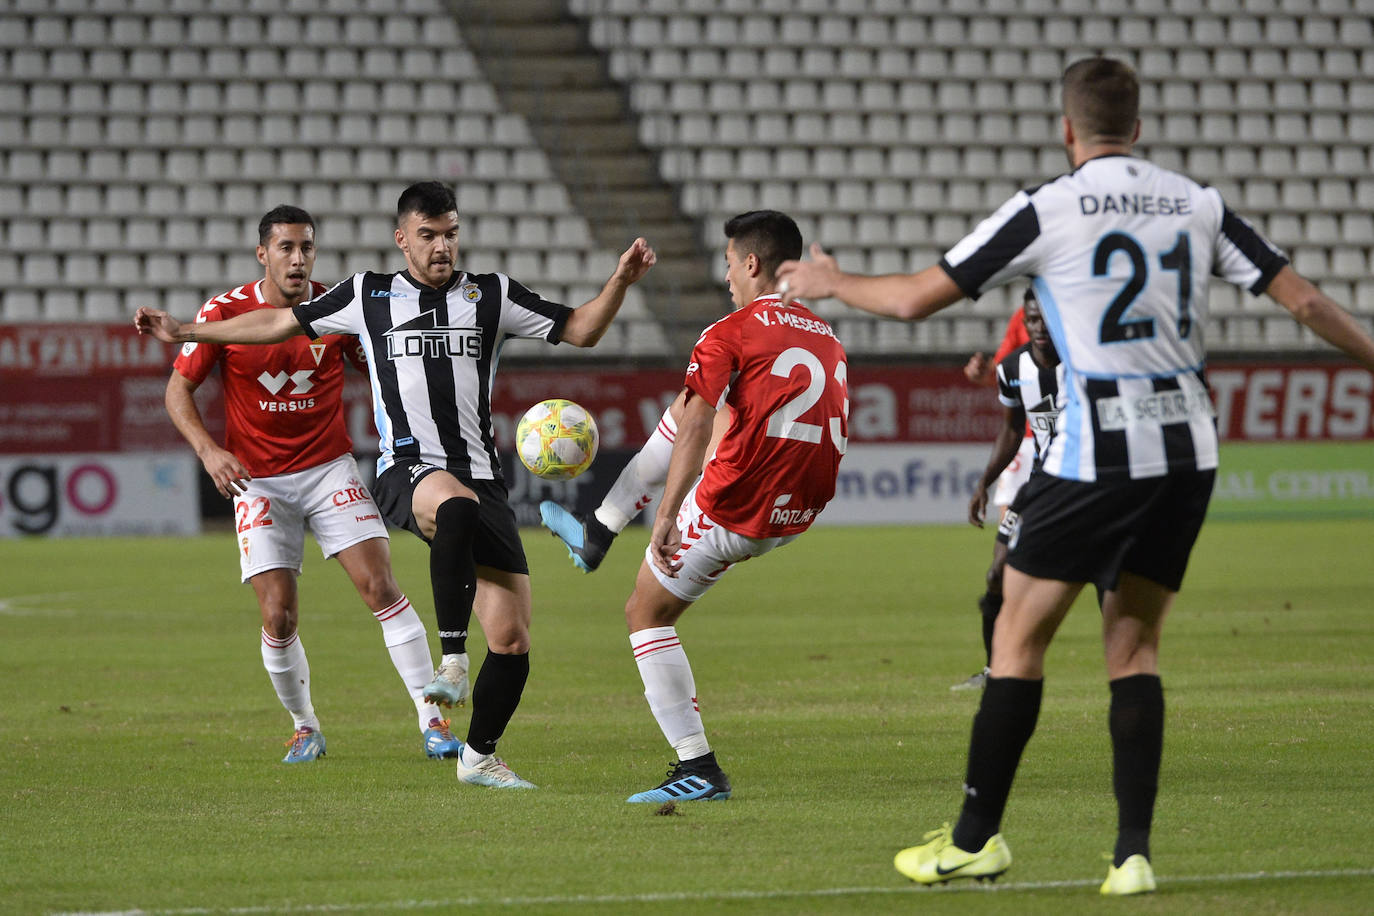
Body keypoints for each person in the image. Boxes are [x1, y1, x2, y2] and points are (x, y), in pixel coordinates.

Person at [777, 56, 1374, 895]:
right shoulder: (1196, 203)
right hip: (1188, 450)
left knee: (1018, 638)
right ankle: (1133, 855)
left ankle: (976, 839)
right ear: (1138, 128)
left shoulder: (1047, 206)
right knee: (1133, 644)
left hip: (1099, 450)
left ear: (1068, 130)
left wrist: (833, 280)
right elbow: (1306, 302)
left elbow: (917, 299)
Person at [138, 181, 657, 789]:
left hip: (481, 475)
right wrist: (187, 333)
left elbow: (581, 330)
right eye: (429, 235)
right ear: (402, 239)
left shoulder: (491, 295)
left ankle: (479, 757)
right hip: (406, 470)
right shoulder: (367, 295)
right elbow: (278, 323)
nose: (442, 246)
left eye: (451, 234)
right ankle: (449, 665)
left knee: (514, 641)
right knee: (441, 520)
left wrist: (619, 282)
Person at [164, 205, 457, 764]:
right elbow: (177, 391)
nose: (298, 259)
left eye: (307, 248)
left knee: (380, 588)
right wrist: (210, 451)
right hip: (258, 481)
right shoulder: (224, 313)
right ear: (263, 254)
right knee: (278, 615)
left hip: (328, 469)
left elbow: (379, 368)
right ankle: (304, 727)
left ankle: (432, 720)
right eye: (286, 248)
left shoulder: (332, 308)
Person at [619, 210, 849, 803]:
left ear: (751, 263)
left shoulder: (729, 330)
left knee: (645, 614)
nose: (725, 278)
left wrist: (666, 513)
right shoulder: (828, 336)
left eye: (727, 264)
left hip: (735, 508)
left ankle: (698, 768)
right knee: (728, 411)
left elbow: (695, 424)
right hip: (798, 513)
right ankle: (601, 525)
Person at [954, 289, 1062, 692]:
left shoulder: (1086, 364)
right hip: (1037, 485)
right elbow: (1013, 427)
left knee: (1106, 579)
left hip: (1084, 484)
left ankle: (1127, 670)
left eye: (1044, 320)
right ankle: (994, 671)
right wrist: (985, 482)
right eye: (1031, 320)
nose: (1037, 328)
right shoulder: (1015, 366)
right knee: (997, 574)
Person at [538, 386, 729, 573]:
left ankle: (599, 530)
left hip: (741, 506)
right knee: (695, 401)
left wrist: (666, 515)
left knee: (642, 604)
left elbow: (697, 428)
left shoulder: (717, 356)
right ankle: (600, 528)